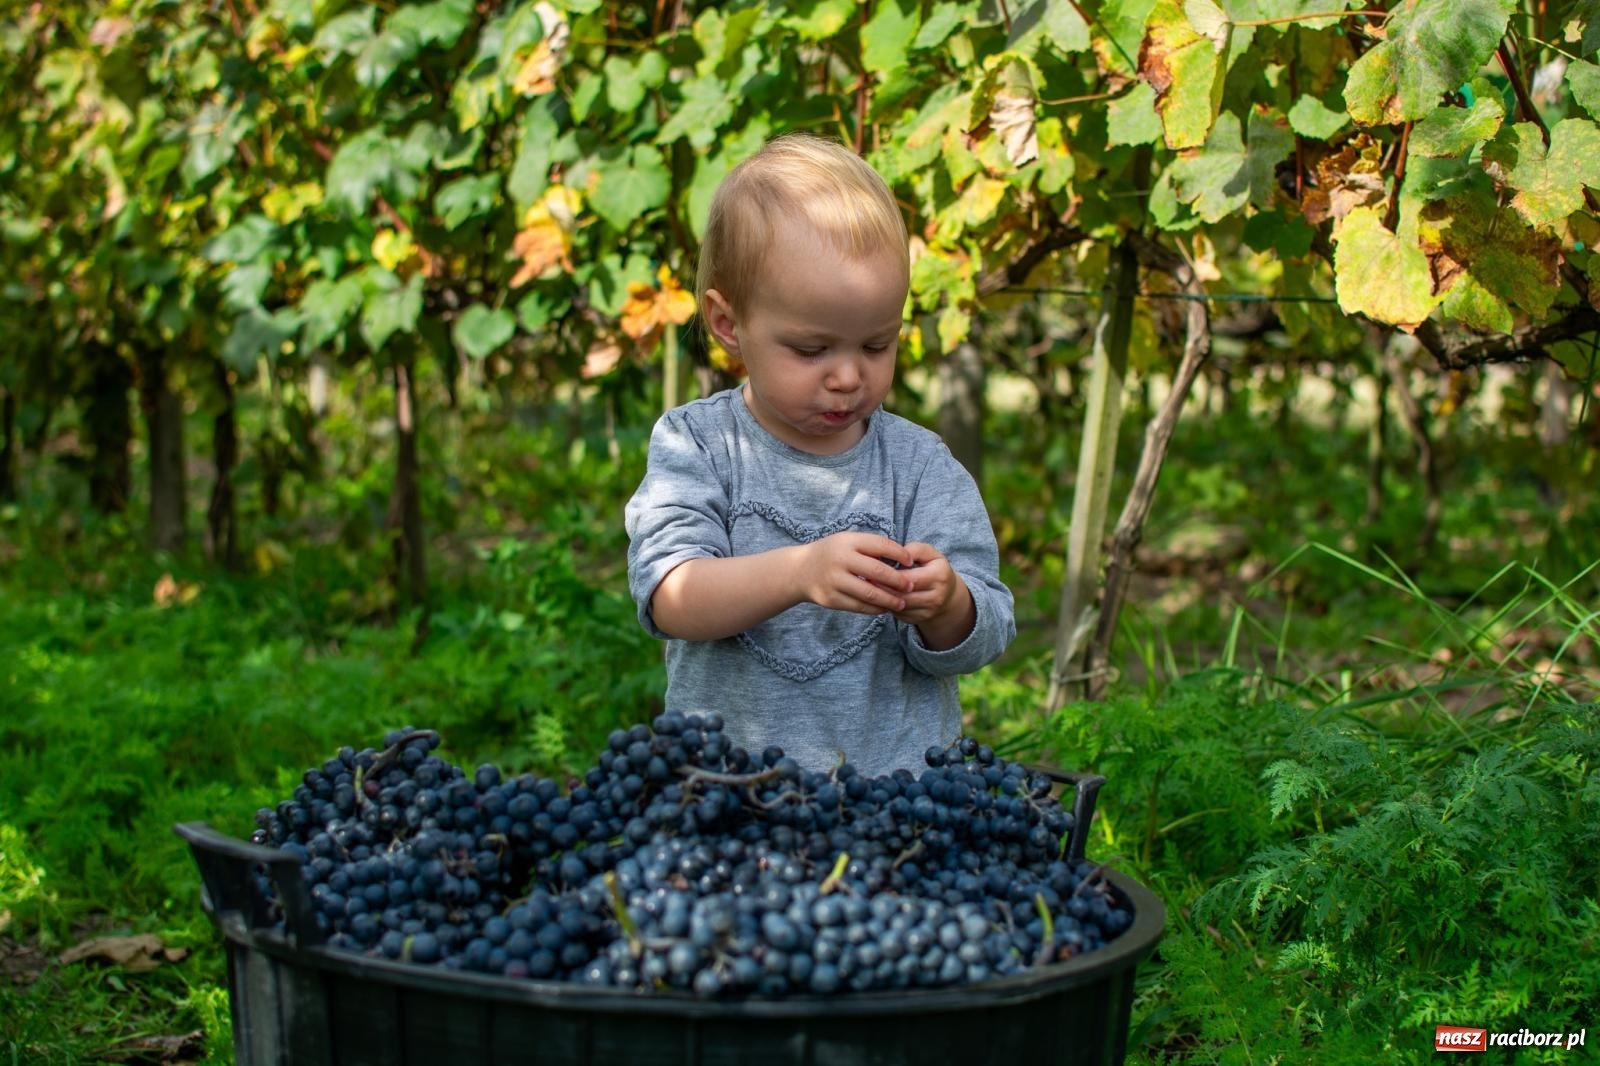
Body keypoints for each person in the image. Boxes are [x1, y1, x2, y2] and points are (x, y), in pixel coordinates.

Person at [624, 133, 1014, 777]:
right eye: (811, 350)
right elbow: (671, 596)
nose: (847, 376)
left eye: (876, 345)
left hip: (895, 805)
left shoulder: (920, 468)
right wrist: (801, 572)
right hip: (731, 796)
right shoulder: (699, 445)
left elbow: (987, 629)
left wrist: (948, 606)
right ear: (728, 324)